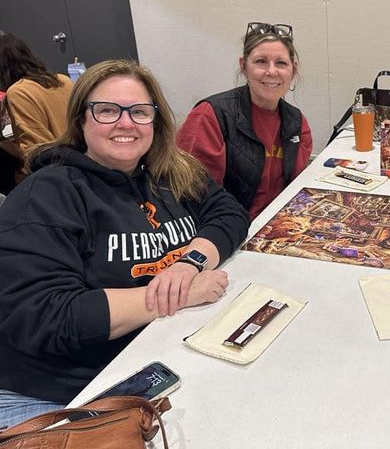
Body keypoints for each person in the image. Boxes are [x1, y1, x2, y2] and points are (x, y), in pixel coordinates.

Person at [0, 59, 250, 428]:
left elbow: (228, 212)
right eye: (107, 110)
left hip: (153, 358)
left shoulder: (169, 172)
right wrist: (182, 293)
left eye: (139, 112)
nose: (125, 122)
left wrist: (189, 262)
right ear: (81, 120)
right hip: (63, 394)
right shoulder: (46, 194)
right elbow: (49, 316)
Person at [177, 22, 313, 220]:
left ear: (293, 70)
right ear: (244, 66)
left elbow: (295, 192)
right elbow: (195, 197)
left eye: (281, 63)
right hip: (227, 226)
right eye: (261, 61)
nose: (271, 72)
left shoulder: (297, 123)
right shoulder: (210, 116)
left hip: (278, 224)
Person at [0, 32, 74, 182]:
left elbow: (35, 151)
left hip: (50, 175)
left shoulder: (18, 92)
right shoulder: (63, 80)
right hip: (76, 164)